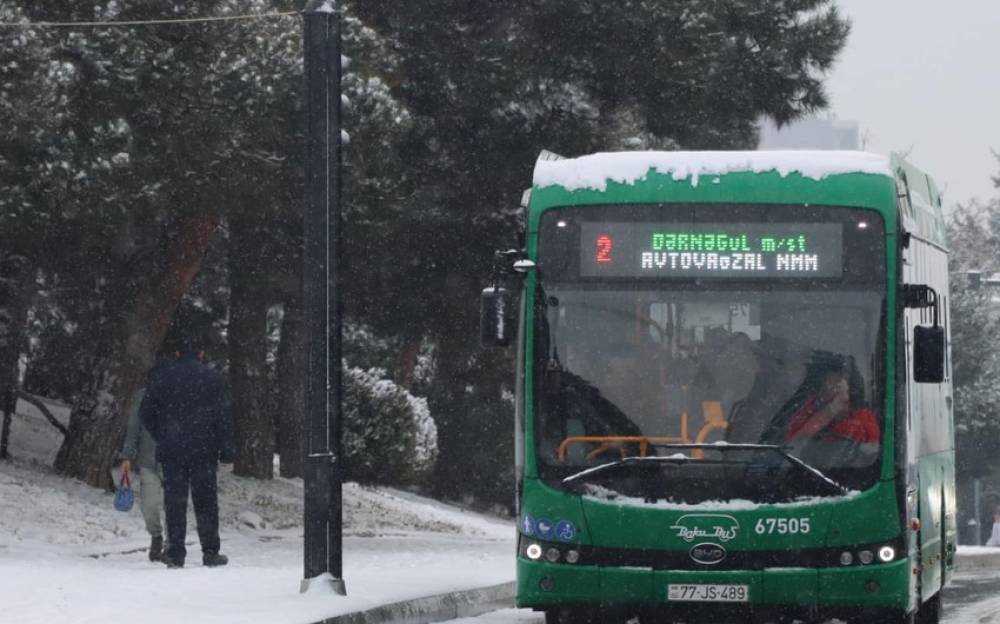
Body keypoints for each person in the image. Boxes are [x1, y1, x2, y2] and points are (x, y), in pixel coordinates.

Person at [141, 328, 234, 568]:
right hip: (204, 449)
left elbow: (146, 413)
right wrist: (226, 449)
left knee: (175, 500)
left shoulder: (163, 378)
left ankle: (175, 552)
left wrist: (162, 434)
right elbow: (223, 417)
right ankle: (210, 551)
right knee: (206, 501)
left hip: (172, 448)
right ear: (202, 354)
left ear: (177, 353)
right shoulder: (214, 379)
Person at [119, 382, 167, 562]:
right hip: (148, 459)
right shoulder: (143, 395)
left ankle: (172, 544)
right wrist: (127, 455)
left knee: (174, 505)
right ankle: (156, 536)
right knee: (149, 503)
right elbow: (134, 425)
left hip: (176, 458)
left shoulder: (187, 391)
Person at [784, 366, 880, 446]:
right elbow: (794, 441)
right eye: (828, 381)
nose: (832, 386)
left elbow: (871, 443)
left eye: (838, 381)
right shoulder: (809, 408)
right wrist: (829, 411)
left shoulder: (863, 415)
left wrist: (836, 417)